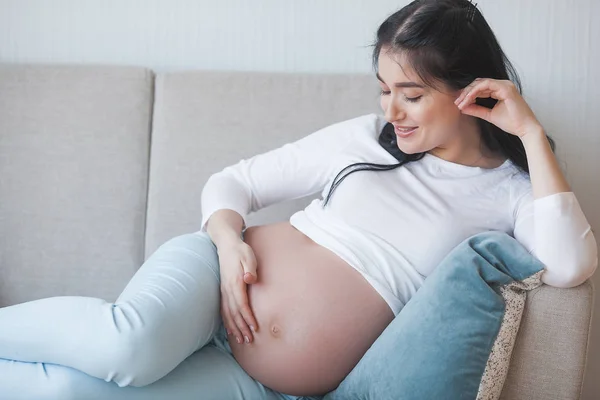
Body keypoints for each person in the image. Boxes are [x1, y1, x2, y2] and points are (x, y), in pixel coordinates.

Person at [1, 0, 597, 399]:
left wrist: (528, 134)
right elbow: (235, 181)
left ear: (472, 90)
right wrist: (229, 243)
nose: (391, 110)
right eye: (385, 89)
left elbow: (572, 266)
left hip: (260, 384)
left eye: (410, 95)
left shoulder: (511, 194)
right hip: (213, 281)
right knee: (123, 345)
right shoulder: (367, 139)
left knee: (68, 392)